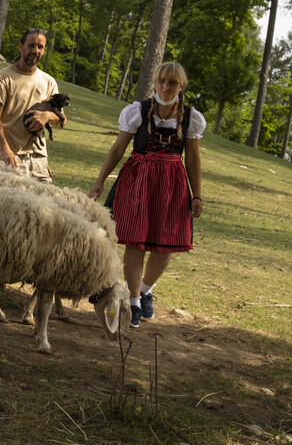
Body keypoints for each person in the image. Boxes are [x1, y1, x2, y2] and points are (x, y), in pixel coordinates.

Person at [87, 61, 205, 328]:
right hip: (138, 181)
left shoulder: (190, 118)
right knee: (136, 242)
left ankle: (145, 289)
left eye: (171, 82)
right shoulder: (137, 111)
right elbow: (118, 149)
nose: (165, 87)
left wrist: (196, 195)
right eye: (161, 81)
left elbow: (193, 159)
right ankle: (134, 302)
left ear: (181, 86)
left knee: (165, 245)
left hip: (172, 186)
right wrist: (99, 182)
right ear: (155, 82)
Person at [0, 28, 65, 183]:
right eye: (31, 46)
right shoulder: (3, 78)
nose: (35, 51)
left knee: (45, 200)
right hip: (10, 158)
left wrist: (47, 116)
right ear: (21, 47)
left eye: (40, 47)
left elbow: (61, 119)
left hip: (39, 161)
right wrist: (4, 149)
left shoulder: (48, 81)